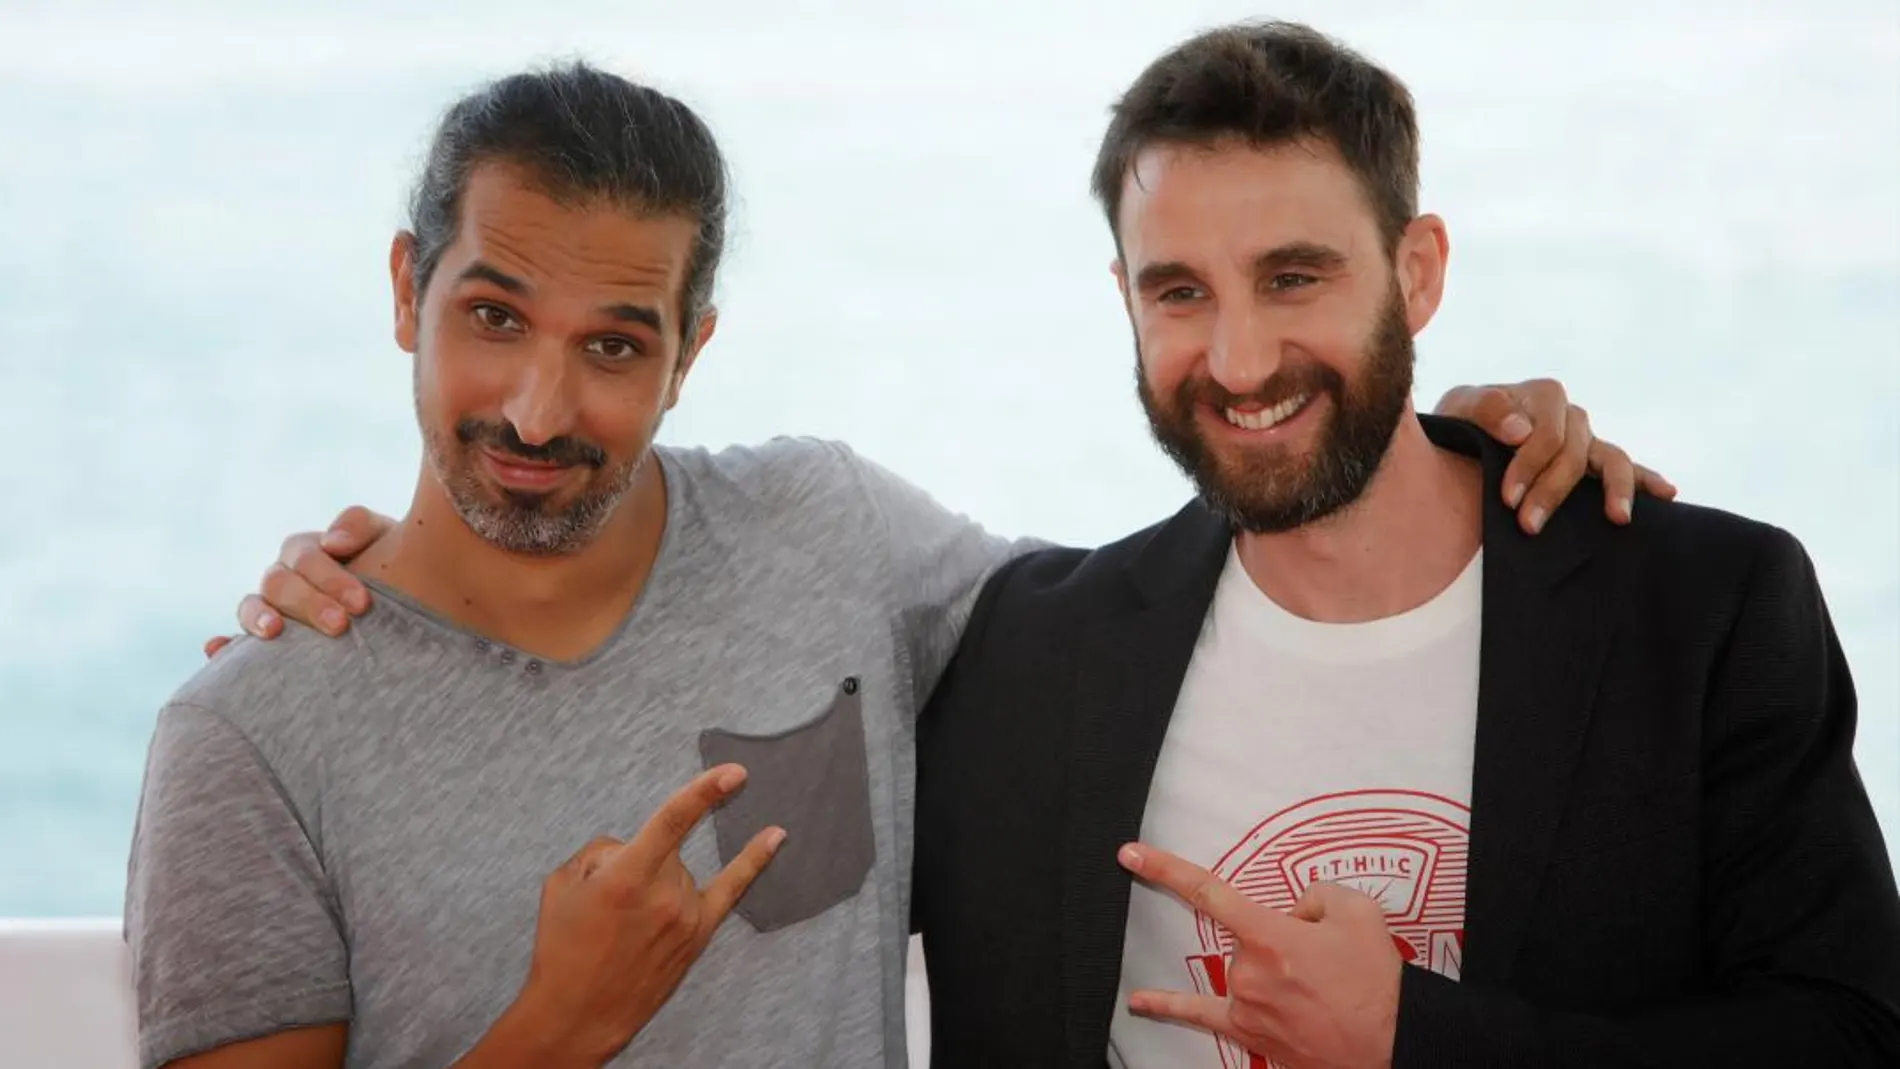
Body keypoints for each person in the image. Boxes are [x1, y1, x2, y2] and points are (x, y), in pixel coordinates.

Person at [175, 60, 1670, 1069]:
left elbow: (1193, 591)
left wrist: (1449, 440)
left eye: (615, 344)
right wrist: (554, 1031)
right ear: (403, 291)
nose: (539, 410)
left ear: (692, 352)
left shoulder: (831, 536)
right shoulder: (250, 737)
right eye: (492, 318)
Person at [907, 19, 1900, 1069]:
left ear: (1416, 273)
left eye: (1293, 278)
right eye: (1180, 292)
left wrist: (1410, 1039)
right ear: (1125, 298)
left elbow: (1850, 1037)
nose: (1239, 362)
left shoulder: (1698, 609)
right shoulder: (1027, 651)